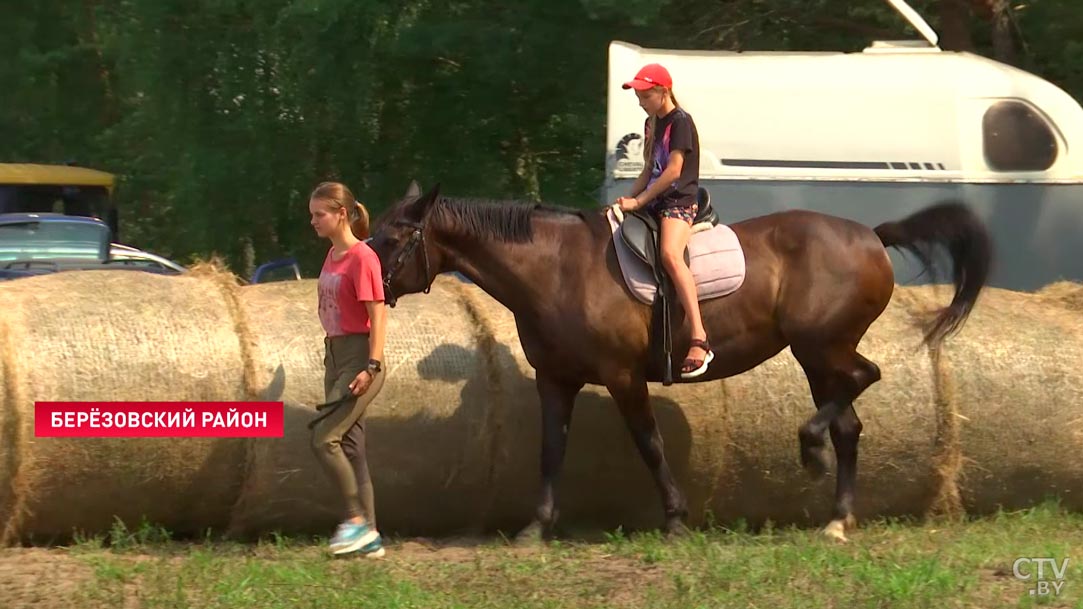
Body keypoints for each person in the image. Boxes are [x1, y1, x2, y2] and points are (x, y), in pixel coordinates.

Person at [615, 63, 714, 379]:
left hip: (678, 202)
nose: (641, 102)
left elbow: (672, 171)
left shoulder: (681, 123)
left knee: (670, 256)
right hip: (653, 200)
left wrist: (639, 201)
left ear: (663, 91)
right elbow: (647, 171)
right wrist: (623, 202)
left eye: (645, 95)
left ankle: (699, 338)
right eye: (639, 96)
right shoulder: (651, 124)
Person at [308, 181, 388, 557]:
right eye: (312, 215)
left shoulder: (363, 258)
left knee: (325, 439)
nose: (313, 221)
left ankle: (355, 521)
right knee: (352, 448)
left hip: (360, 359)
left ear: (342, 214)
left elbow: (378, 313)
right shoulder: (332, 255)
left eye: (319, 214)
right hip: (335, 355)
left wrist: (371, 366)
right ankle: (371, 537)